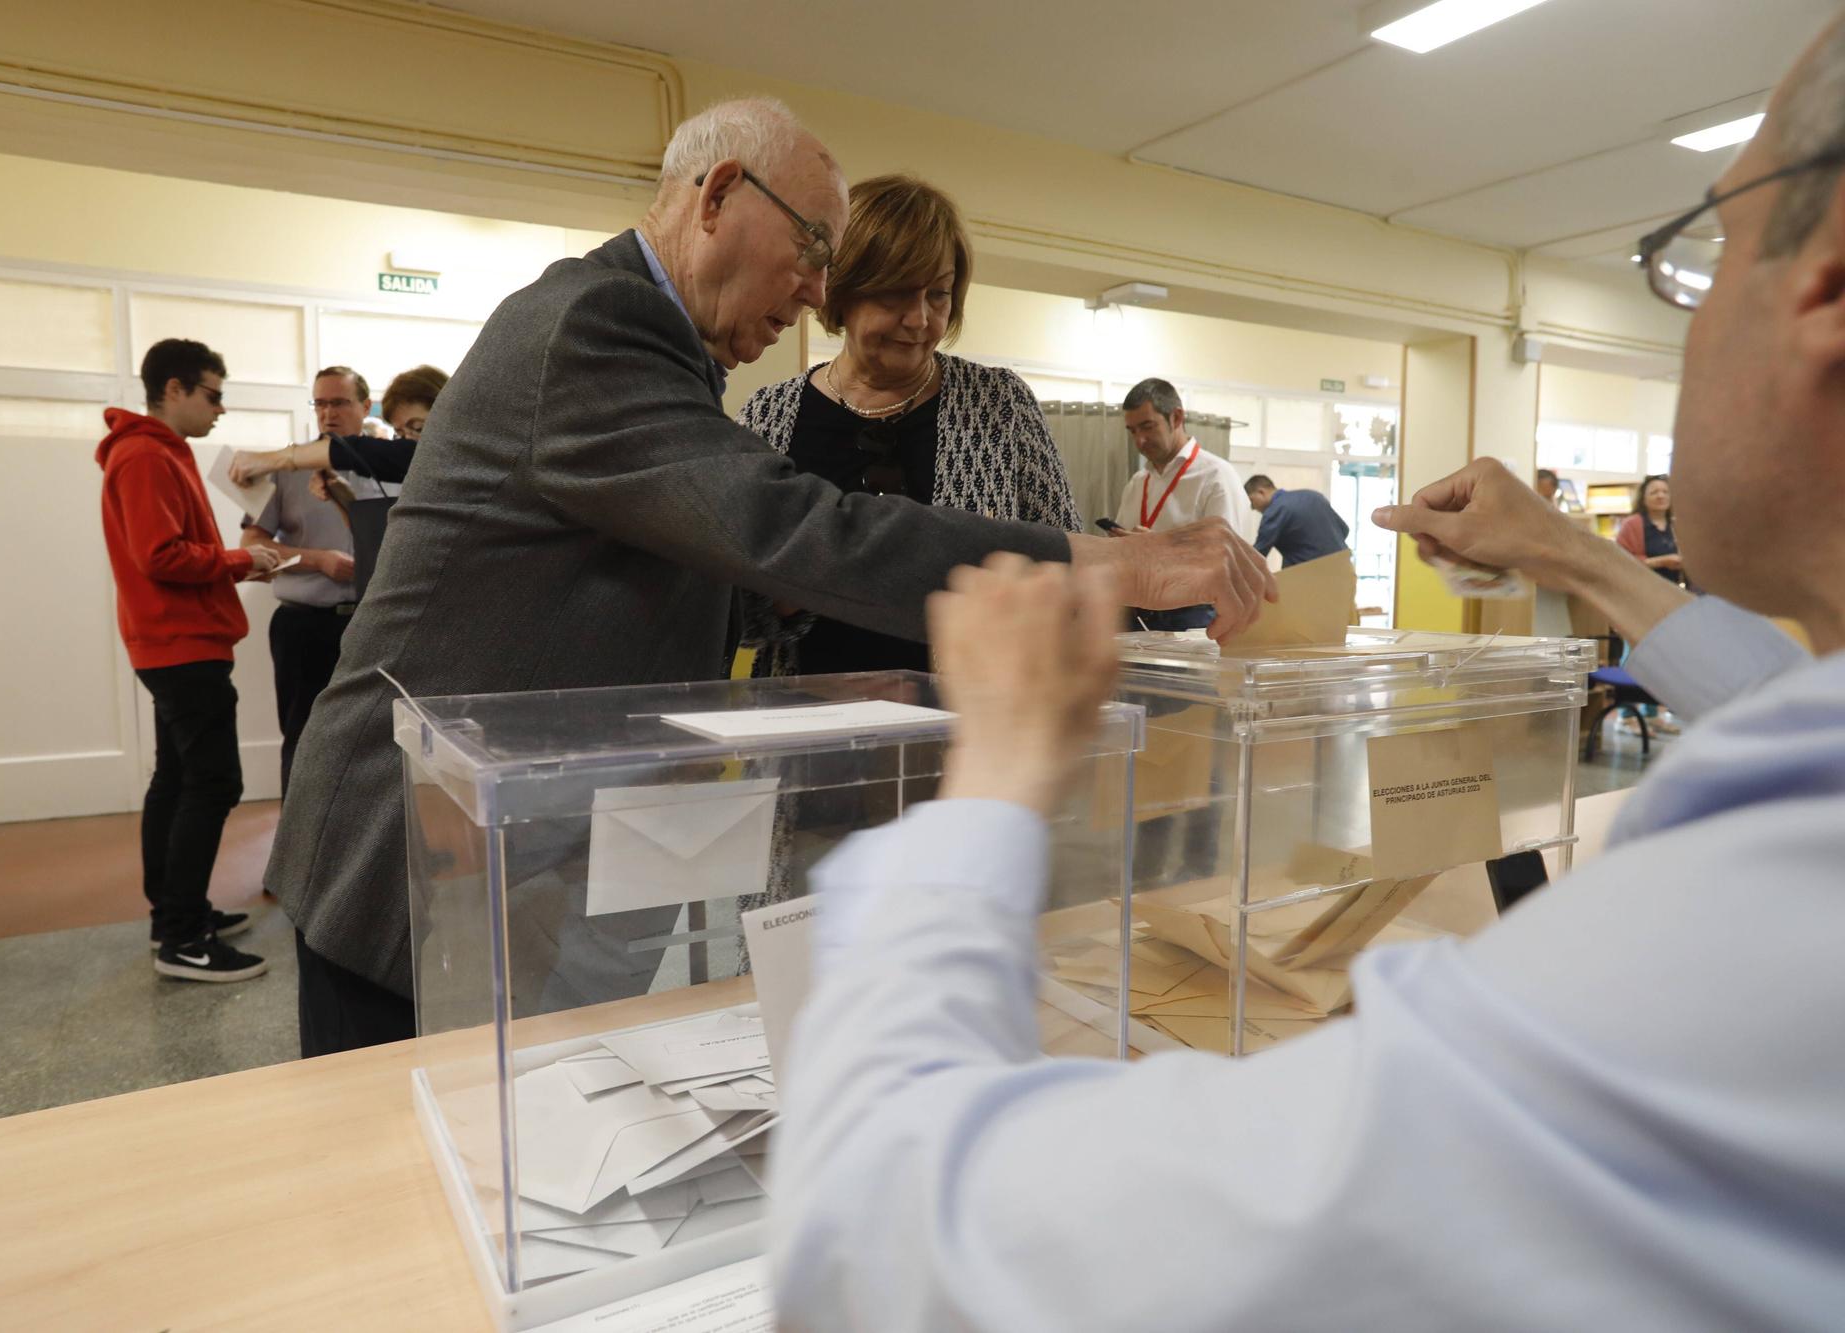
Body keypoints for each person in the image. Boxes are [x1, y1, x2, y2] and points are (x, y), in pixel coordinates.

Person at [767, 13, 1845, 1326]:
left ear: (1823, 289)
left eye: (1705, 251)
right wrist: (1579, 554)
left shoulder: (1743, 943)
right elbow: (1793, 713)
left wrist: (989, 780)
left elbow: (889, 1242)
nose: (916, 317)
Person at [264, 96, 1273, 1058]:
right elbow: (796, 528)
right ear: (717, 197)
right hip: (424, 843)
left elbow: (713, 572)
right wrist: (1112, 560)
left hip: (529, 842)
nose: (816, 292)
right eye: (814, 254)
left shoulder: (675, 353)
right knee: (401, 1178)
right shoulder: (593, 326)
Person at [738, 174, 1081, 674]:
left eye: (938, 295)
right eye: (895, 295)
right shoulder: (770, 416)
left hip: (966, 730)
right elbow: (733, 610)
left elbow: (1064, 561)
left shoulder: (998, 405)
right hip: (808, 729)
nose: (920, 320)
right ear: (841, 290)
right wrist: (794, 587)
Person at [96, 338, 278, 983]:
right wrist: (240, 561)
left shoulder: (153, 453)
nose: (219, 410)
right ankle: (183, 940)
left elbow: (167, 553)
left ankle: (176, 912)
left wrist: (234, 565)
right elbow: (162, 556)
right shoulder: (145, 456)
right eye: (212, 394)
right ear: (174, 389)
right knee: (212, 783)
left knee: (175, 781)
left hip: (175, 640)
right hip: (181, 645)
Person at [239, 366, 383, 789]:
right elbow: (252, 545)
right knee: (303, 741)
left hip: (370, 624)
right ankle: (299, 850)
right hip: (305, 625)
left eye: (338, 402)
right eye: (320, 404)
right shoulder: (288, 467)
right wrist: (316, 559)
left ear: (364, 405)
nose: (328, 413)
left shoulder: (386, 464)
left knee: (370, 743)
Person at [1115, 377, 1245, 630]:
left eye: (1147, 427)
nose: (1139, 440)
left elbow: (1227, 562)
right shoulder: (1137, 482)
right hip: (1137, 618)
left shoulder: (1216, 476)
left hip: (1194, 621)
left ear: (1176, 417)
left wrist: (1161, 549)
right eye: (1132, 431)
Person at [229, 363, 446, 490]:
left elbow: (355, 450)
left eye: (417, 428)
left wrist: (272, 459)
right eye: (399, 434)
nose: (408, 443)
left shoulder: (451, 458)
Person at [1243, 474, 1349, 567]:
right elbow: (1344, 530)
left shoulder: (1275, 510)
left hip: (1310, 575)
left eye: (1251, 501)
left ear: (1261, 492)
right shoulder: (1314, 496)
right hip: (1344, 566)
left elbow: (1259, 553)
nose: (1253, 508)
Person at [1615, 473, 1683, 584]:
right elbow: (1620, 561)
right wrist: (1661, 562)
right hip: (1642, 590)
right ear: (1643, 499)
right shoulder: (1631, 525)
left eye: (1666, 492)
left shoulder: (1677, 524)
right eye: (1654, 492)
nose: (1661, 496)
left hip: (1673, 590)